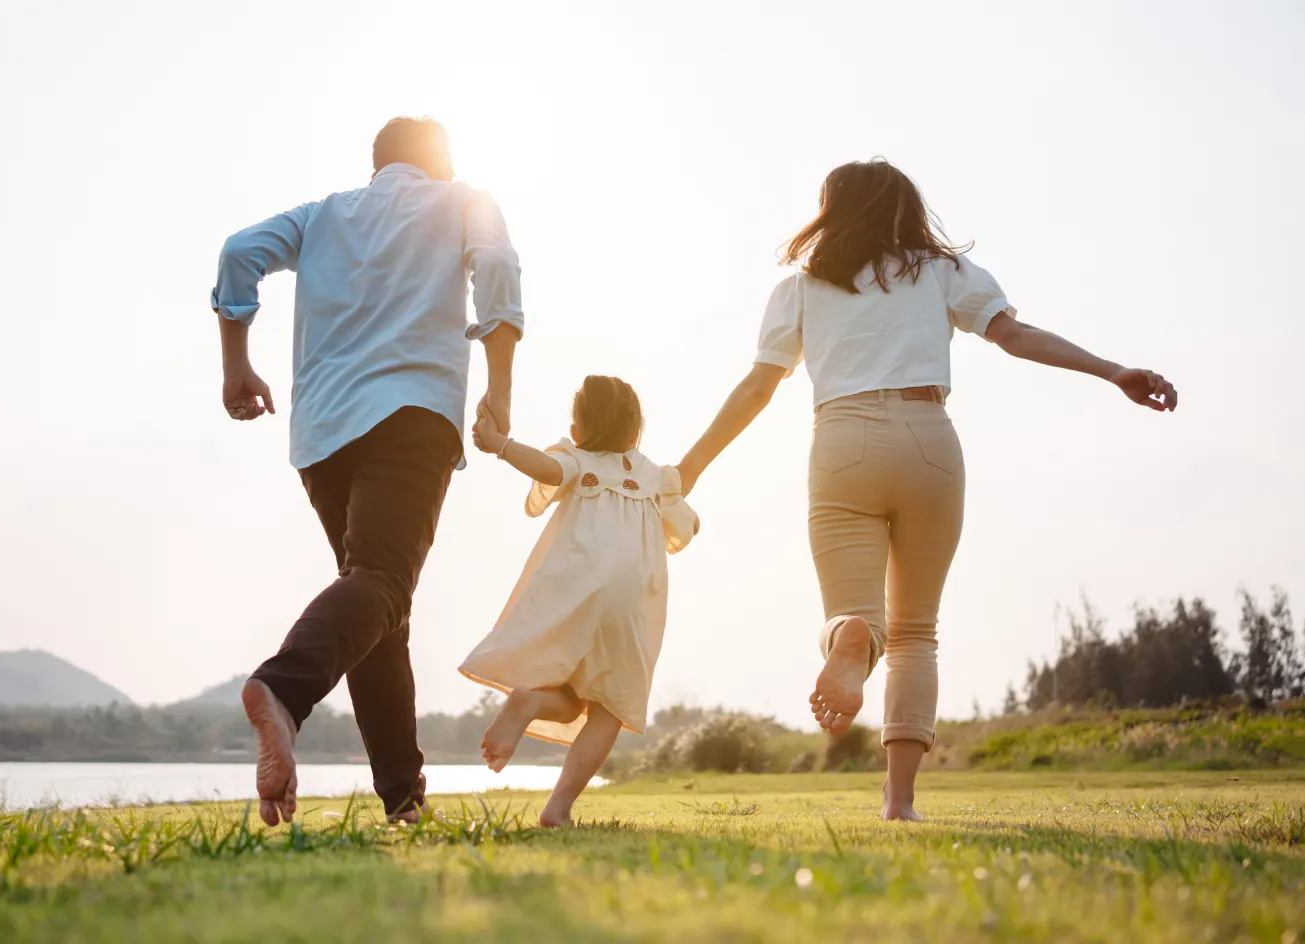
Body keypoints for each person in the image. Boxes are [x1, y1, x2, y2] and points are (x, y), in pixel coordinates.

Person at [675, 160, 1176, 821]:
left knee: (857, 614)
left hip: (842, 442)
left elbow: (758, 388)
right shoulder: (944, 272)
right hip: (929, 441)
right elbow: (1014, 336)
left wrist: (690, 468)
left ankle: (851, 636)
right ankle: (900, 801)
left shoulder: (800, 289)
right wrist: (1113, 371)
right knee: (916, 632)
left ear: (830, 212)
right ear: (907, 210)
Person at [210, 116, 523, 826]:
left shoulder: (322, 215)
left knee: (380, 610)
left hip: (322, 433)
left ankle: (404, 802)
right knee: (381, 586)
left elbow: (238, 252)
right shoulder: (464, 199)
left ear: (376, 164)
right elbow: (499, 268)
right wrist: (499, 385)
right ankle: (284, 693)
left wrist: (236, 367)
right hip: (411, 413)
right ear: (440, 162)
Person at [460, 375, 699, 827]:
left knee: (571, 698)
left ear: (580, 429)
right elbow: (687, 525)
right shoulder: (654, 476)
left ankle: (528, 701)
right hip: (628, 601)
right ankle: (558, 808)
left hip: (577, 588)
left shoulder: (577, 460)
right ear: (635, 429)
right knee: (608, 711)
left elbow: (547, 471)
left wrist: (501, 445)